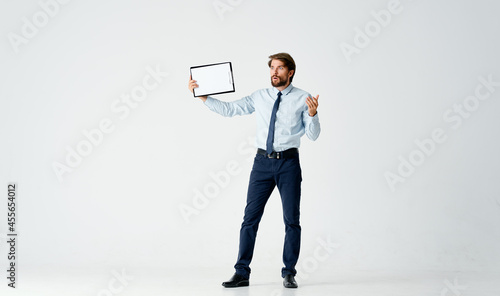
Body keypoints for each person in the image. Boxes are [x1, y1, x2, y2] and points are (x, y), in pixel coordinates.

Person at [188, 53, 320, 288]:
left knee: (292, 221)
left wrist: (313, 115)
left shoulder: (303, 98)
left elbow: (313, 135)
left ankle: (289, 272)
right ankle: (242, 273)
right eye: (272, 68)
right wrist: (204, 97)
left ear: (290, 72)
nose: (274, 72)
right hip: (262, 164)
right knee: (250, 219)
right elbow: (231, 110)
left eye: (280, 68)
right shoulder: (260, 96)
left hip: (288, 163)